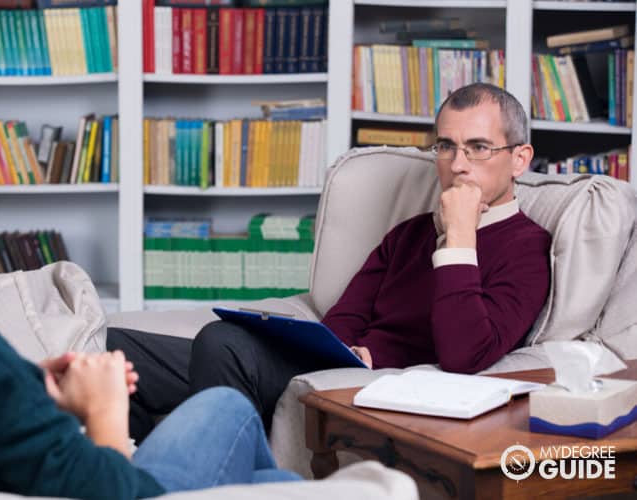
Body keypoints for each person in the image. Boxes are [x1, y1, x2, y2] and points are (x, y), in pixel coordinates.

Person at [0, 108, 300, 500]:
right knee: (226, 406)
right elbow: (111, 490)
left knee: (275, 487)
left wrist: (23, 387)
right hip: (125, 489)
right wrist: (103, 406)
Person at [108, 82, 553, 443]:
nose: (458, 165)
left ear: (519, 158)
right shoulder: (410, 233)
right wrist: (341, 350)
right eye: (446, 147)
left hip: (387, 384)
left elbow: (465, 353)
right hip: (337, 366)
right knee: (115, 348)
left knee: (221, 343)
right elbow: (347, 315)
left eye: (478, 148)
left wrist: (458, 237)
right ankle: (144, 481)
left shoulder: (528, 248)